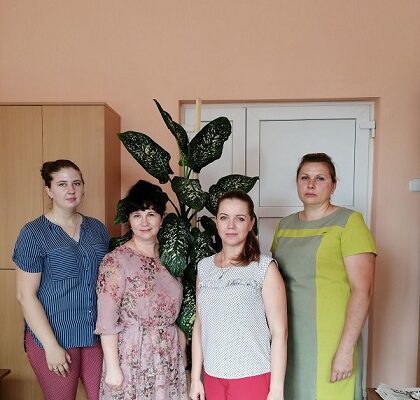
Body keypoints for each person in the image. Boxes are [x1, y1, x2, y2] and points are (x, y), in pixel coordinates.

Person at [271, 153, 377, 400]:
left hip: (332, 339)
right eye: (304, 177)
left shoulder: (349, 222)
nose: (311, 184)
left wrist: (346, 350)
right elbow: (273, 283)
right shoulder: (284, 226)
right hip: (288, 337)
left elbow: (363, 290)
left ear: (333, 185)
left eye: (320, 178)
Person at [14, 159, 109, 400]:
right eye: (62, 184)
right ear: (49, 190)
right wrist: (51, 346)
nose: (71, 190)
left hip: (94, 336)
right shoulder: (33, 233)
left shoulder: (97, 229)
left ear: (83, 187)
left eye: (76, 183)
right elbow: (25, 296)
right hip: (55, 336)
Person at [94, 179, 188, 400]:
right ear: (129, 219)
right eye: (137, 215)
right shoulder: (115, 261)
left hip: (168, 354)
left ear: (161, 218)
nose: (144, 222)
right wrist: (113, 369)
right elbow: (107, 321)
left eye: (151, 214)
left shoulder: (171, 258)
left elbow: (178, 315)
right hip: (132, 357)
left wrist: (182, 353)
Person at [190, 190, 288, 400]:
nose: (231, 226)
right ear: (216, 222)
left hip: (252, 376)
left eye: (240, 219)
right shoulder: (204, 267)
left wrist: (276, 390)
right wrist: (195, 378)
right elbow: (199, 324)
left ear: (251, 223)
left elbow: (280, 332)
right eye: (224, 218)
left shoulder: (264, 268)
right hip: (213, 376)